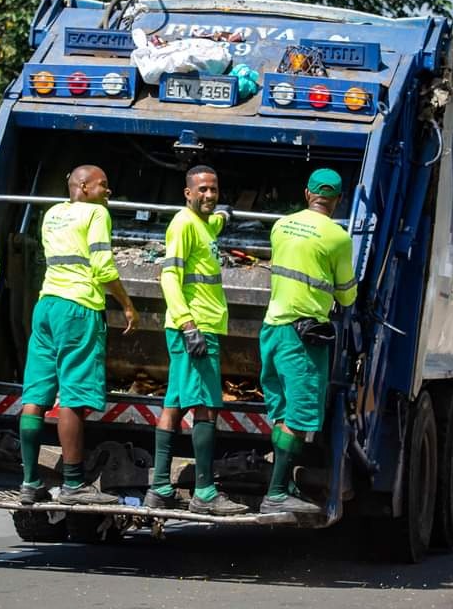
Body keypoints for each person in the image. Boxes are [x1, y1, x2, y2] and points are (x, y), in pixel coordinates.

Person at [19, 165, 139, 506]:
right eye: (103, 185)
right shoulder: (96, 214)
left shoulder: (53, 214)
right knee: (72, 396)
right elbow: (103, 267)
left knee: (36, 396)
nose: (108, 192)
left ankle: (30, 481)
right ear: (83, 186)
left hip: (47, 306)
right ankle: (73, 484)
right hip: (78, 308)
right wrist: (127, 304)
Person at [145, 165, 247, 516]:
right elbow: (168, 275)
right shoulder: (183, 224)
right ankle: (203, 491)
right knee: (204, 407)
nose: (208, 195)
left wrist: (222, 216)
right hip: (196, 327)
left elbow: (212, 222)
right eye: (201, 190)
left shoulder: (203, 224)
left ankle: (159, 487)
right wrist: (189, 325)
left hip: (194, 326)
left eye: (213, 190)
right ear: (187, 193)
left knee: (173, 405)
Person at [258, 168, 357, 514]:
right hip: (303, 337)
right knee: (298, 419)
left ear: (306, 194)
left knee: (283, 413)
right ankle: (276, 492)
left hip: (272, 329)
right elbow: (346, 295)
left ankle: (280, 485)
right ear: (339, 200)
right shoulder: (337, 237)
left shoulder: (280, 225)